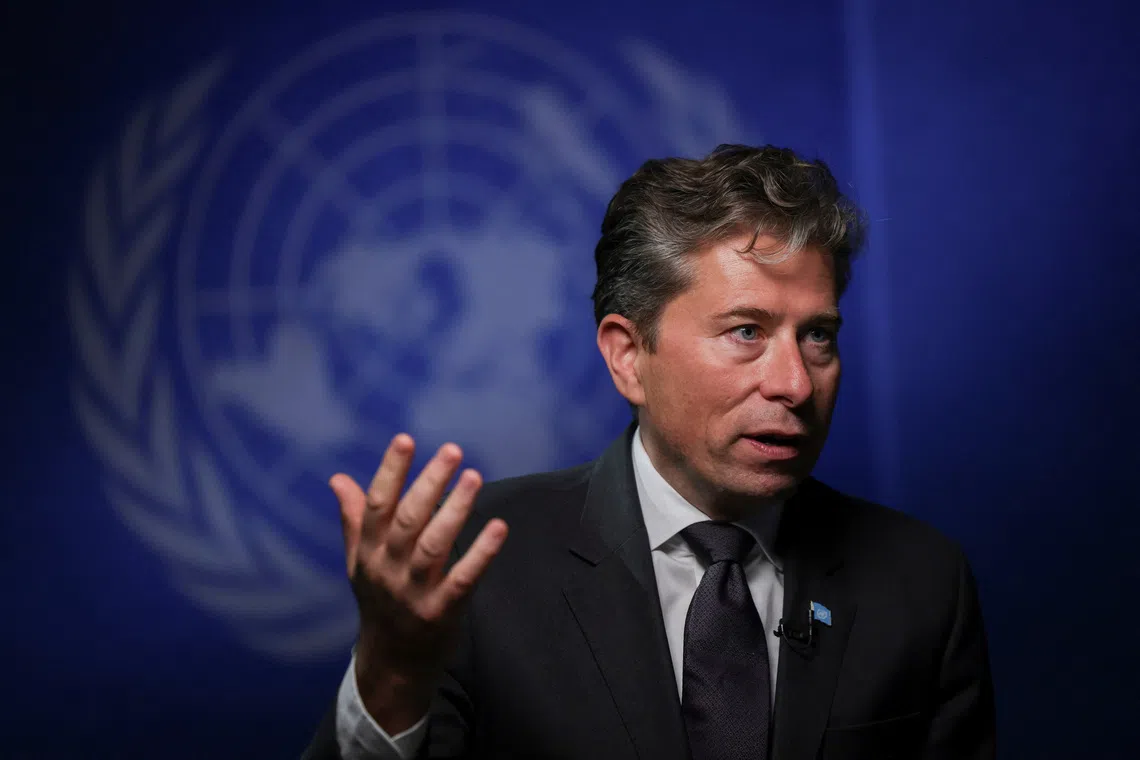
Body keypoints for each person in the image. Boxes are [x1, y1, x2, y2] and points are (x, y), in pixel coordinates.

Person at [302, 144, 996, 760]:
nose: (793, 383)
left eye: (817, 336)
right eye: (747, 331)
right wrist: (391, 677)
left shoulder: (922, 584)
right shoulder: (476, 563)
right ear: (629, 357)